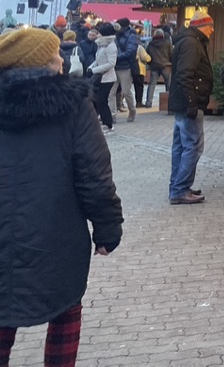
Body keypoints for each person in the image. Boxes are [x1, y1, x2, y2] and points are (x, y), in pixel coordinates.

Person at [0, 27, 123, 367]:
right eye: (55, 54)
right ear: (42, 61)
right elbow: (94, 174)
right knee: (66, 310)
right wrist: (107, 228)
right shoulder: (73, 105)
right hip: (58, 236)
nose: (62, 60)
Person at [167, 11, 215, 205]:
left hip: (182, 103)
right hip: (188, 104)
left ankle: (177, 187)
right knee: (193, 146)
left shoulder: (187, 41)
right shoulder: (192, 43)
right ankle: (180, 189)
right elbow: (185, 75)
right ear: (202, 26)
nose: (212, 30)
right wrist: (192, 103)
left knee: (181, 146)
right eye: (210, 26)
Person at [88, 23, 118, 131]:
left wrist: (94, 70)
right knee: (95, 99)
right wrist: (90, 68)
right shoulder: (102, 45)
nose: (98, 34)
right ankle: (95, 121)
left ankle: (108, 124)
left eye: (100, 33)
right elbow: (98, 60)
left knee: (102, 100)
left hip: (107, 78)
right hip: (100, 76)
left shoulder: (111, 46)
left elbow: (111, 63)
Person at [113, 18, 139, 122]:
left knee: (126, 91)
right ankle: (112, 114)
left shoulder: (131, 36)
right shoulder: (115, 35)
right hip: (114, 66)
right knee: (111, 92)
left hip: (125, 66)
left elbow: (130, 51)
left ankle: (132, 110)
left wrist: (116, 57)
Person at [144, 28, 173, 108]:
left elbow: (147, 55)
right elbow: (171, 54)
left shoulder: (151, 44)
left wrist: (150, 63)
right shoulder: (167, 43)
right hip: (165, 65)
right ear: (162, 35)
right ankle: (170, 102)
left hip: (154, 66)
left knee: (152, 84)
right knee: (168, 84)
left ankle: (148, 102)